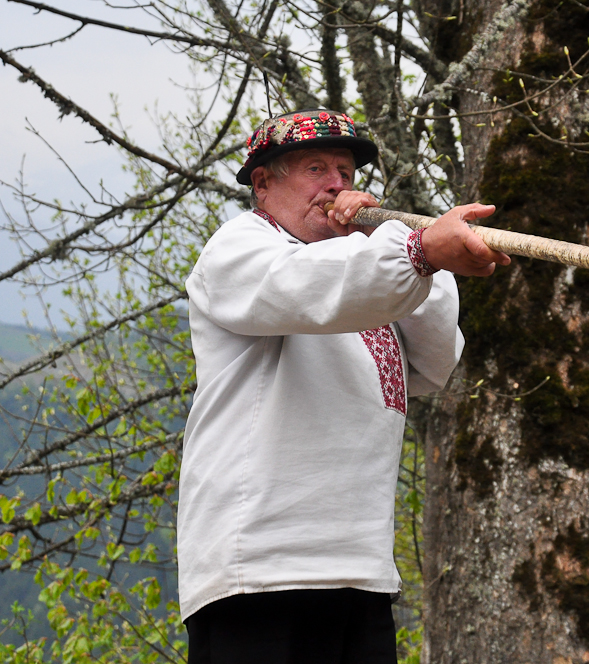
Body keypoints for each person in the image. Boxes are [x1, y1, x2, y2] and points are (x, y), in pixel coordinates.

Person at [177, 108, 509, 663]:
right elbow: (309, 286)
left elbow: (435, 361)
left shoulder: (367, 272)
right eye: (315, 168)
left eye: (345, 172)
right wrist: (415, 248)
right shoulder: (239, 248)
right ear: (263, 183)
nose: (336, 185)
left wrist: (401, 244)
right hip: (260, 571)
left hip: (361, 571)